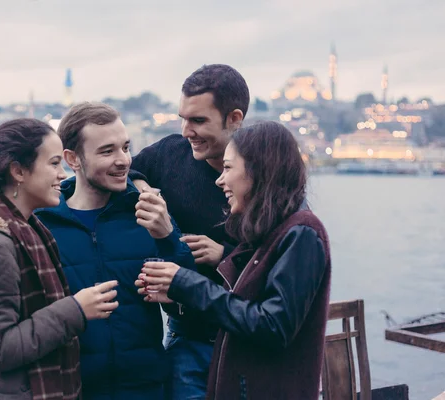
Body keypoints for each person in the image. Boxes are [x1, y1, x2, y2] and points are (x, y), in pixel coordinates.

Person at [0, 105, 195, 400]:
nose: (123, 161)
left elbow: (191, 301)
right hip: (70, 389)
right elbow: (6, 299)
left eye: (126, 147)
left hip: (146, 389)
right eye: (107, 151)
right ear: (73, 159)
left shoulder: (148, 211)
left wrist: (169, 238)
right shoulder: (38, 223)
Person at [138, 121, 332, 399]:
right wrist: (177, 291)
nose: (219, 180)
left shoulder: (302, 232)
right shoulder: (270, 231)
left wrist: (185, 283)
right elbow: (245, 302)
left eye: (228, 168)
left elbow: (272, 326)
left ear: (257, 171)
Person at [0, 118, 119, 400]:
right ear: (18, 171)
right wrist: (76, 310)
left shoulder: (29, 227)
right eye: (54, 163)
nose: (63, 174)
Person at [129, 64, 249, 399]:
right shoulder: (172, 153)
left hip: (245, 340)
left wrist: (223, 255)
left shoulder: (261, 171)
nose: (186, 131)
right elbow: (126, 171)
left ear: (234, 119)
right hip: (187, 335)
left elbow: (279, 256)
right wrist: (147, 193)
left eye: (198, 121)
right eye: (183, 118)